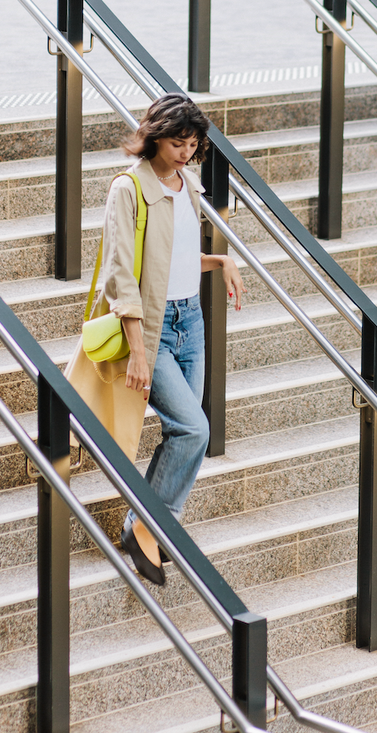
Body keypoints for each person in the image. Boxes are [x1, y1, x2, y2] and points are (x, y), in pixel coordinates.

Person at [65, 94, 245, 586]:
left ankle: (148, 527)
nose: (185, 152)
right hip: (154, 325)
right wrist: (140, 350)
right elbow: (123, 276)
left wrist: (220, 261)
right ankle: (148, 525)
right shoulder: (129, 188)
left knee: (183, 431)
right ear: (154, 137)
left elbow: (175, 253)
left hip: (192, 322)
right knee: (194, 430)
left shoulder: (187, 184)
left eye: (193, 144)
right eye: (176, 143)